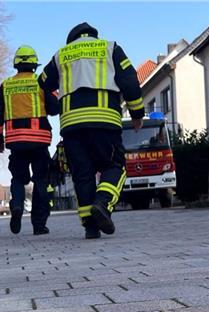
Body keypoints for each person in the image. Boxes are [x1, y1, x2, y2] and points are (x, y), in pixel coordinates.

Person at [39, 22, 144, 239]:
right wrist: (136, 114)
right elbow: (130, 81)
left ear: (72, 39)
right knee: (114, 165)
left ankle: (90, 226)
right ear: (93, 35)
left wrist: (55, 105)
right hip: (104, 120)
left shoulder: (62, 55)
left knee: (83, 174)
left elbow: (42, 84)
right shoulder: (110, 47)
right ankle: (103, 204)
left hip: (72, 125)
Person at [0, 45, 59, 235]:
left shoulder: (6, 85)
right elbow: (54, 108)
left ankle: (18, 206)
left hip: (16, 142)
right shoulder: (42, 83)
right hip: (39, 141)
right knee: (41, 181)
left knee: (18, 179)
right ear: (34, 65)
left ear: (16, 65)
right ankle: (39, 225)